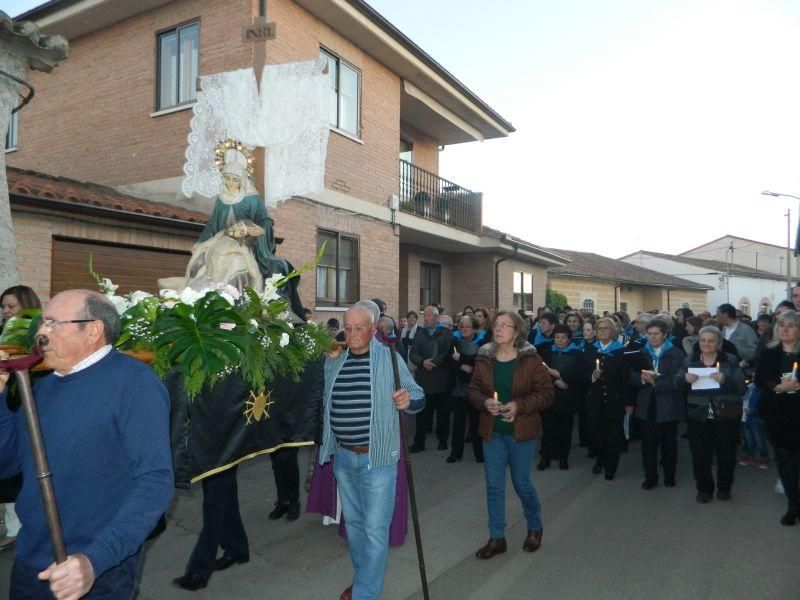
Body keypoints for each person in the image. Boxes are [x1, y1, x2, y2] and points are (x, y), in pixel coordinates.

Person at [0, 289, 173, 599]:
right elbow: (7, 462)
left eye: (52, 323)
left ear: (93, 330)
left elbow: (155, 482)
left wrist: (95, 560)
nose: (40, 332)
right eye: (42, 322)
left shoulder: (135, 384)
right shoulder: (43, 387)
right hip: (30, 562)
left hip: (97, 570)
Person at [319, 303, 425, 600]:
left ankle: (364, 593)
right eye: (347, 328)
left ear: (373, 329)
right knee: (353, 526)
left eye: (358, 328)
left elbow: (418, 394)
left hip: (376, 459)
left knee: (376, 530)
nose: (351, 334)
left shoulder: (389, 358)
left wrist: (408, 401)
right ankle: (364, 579)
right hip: (343, 456)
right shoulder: (336, 360)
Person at [468, 311, 554, 559]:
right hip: (492, 431)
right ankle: (497, 538)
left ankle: (535, 527)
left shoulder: (530, 360)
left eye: (505, 325)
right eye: (496, 324)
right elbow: (472, 389)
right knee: (494, 487)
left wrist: (519, 406)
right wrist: (484, 402)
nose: (498, 328)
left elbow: (547, 394)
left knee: (522, 484)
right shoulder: (484, 357)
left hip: (521, 432)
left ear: (517, 332)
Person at [677, 326, 746, 503]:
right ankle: (704, 489)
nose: (706, 344)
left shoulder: (730, 360)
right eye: (702, 340)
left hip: (725, 414)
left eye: (711, 340)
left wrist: (725, 380)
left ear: (719, 343)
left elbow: (741, 388)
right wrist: (684, 380)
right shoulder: (690, 360)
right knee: (700, 455)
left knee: (726, 454)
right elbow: (676, 383)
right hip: (698, 415)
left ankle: (724, 487)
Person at [0, 285, 41, 553]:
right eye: (3, 307)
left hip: (18, 409)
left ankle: (18, 528)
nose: (5, 312)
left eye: (10, 306)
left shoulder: (33, 337)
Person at [628, 318, 686, 489]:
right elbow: (631, 375)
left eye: (656, 334)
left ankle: (669, 475)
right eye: (649, 334)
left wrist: (657, 382)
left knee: (669, 441)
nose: (652, 338)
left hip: (668, 402)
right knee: (648, 442)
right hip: (647, 402)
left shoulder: (676, 353)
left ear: (665, 334)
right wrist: (641, 379)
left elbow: (679, 381)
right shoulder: (640, 352)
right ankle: (650, 476)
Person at [755, 310, 800, 525]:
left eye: (791, 325)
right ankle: (793, 504)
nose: (785, 328)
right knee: (784, 461)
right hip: (777, 413)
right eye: (781, 324)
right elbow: (760, 379)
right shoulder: (769, 352)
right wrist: (778, 387)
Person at [583, 317, 628, 480]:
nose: (602, 331)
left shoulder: (620, 351)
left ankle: (611, 466)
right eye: (599, 328)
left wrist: (628, 402)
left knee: (613, 435)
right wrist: (591, 377)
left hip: (614, 400)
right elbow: (581, 373)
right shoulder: (589, 349)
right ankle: (600, 460)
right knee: (597, 434)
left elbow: (625, 380)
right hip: (594, 400)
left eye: (606, 328)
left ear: (613, 331)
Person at [409, 306, 454, 453]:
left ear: (436, 318)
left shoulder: (446, 333)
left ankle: (443, 441)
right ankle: (419, 443)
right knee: (421, 415)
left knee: (443, 414)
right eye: (425, 316)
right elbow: (413, 352)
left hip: (441, 380)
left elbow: (447, 352)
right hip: (423, 380)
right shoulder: (420, 333)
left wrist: (433, 362)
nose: (426, 319)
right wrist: (422, 362)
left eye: (429, 316)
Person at [538, 324, 581, 470]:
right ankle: (545, 457)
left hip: (568, 396)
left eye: (563, 337)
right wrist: (556, 381)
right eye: (557, 337)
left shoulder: (576, 354)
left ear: (569, 339)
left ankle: (563, 458)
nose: (560, 340)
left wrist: (564, 380)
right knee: (548, 429)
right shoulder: (546, 352)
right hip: (550, 395)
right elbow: (541, 373)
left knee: (565, 429)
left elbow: (578, 373)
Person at [447, 316, 484, 463]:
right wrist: (462, 365)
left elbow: (479, 361)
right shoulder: (455, 342)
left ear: (475, 329)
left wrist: (461, 358)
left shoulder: (482, 343)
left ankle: (479, 453)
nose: (463, 329)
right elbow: (449, 361)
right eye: (461, 326)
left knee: (476, 422)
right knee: (458, 423)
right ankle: (456, 453)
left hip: (476, 388)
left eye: (467, 327)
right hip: (458, 387)